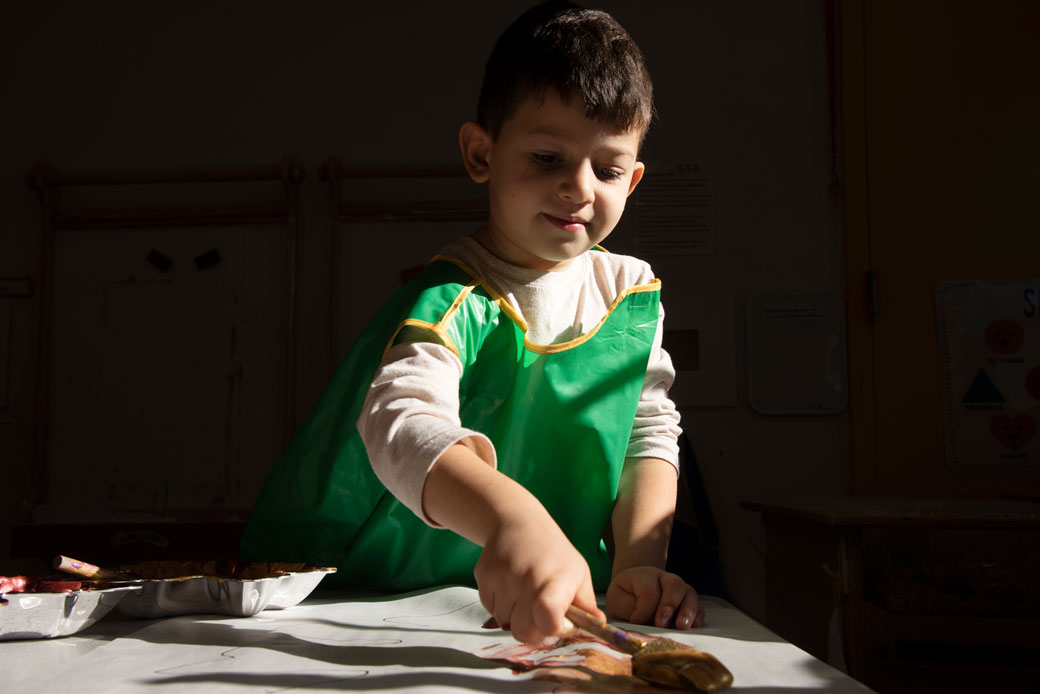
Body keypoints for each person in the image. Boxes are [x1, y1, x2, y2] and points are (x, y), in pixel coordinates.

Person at [241, 1, 705, 645]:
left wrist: (639, 564)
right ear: (481, 152)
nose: (578, 187)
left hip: (552, 609)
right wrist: (512, 518)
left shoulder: (632, 295)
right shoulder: (454, 294)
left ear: (635, 180)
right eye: (547, 157)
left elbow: (647, 432)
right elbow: (400, 424)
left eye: (607, 169)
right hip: (388, 604)